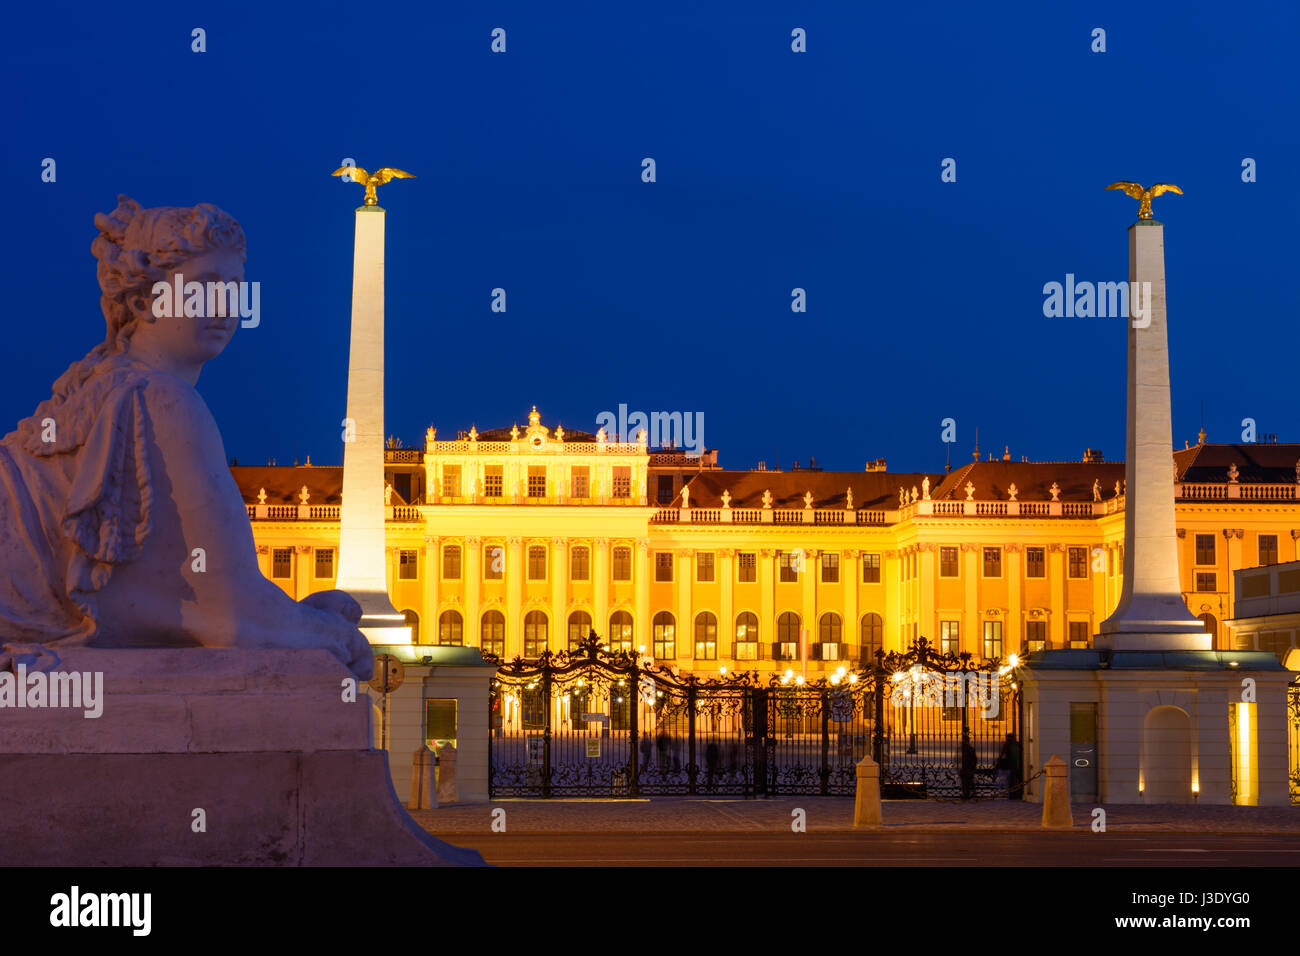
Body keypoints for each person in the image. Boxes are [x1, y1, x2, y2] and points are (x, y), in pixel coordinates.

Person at [0, 196, 371, 677]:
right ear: (141, 301)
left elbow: (166, 608)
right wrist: (335, 634)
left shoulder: (107, 392)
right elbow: (237, 625)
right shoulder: (161, 400)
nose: (225, 306)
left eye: (235, 290)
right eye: (204, 288)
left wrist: (294, 615)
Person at [997, 732, 1023, 799]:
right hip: (1016, 765)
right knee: (1014, 780)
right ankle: (1016, 793)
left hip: (1010, 765)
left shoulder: (1007, 745)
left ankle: (1012, 794)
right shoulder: (1017, 744)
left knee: (1009, 781)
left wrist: (998, 762)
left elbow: (1002, 754)